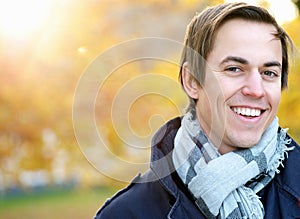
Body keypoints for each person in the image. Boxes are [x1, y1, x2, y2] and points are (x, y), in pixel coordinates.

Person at [94, 2, 300, 218]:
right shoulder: (127, 214)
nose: (256, 90)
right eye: (234, 69)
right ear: (192, 80)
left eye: (269, 73)